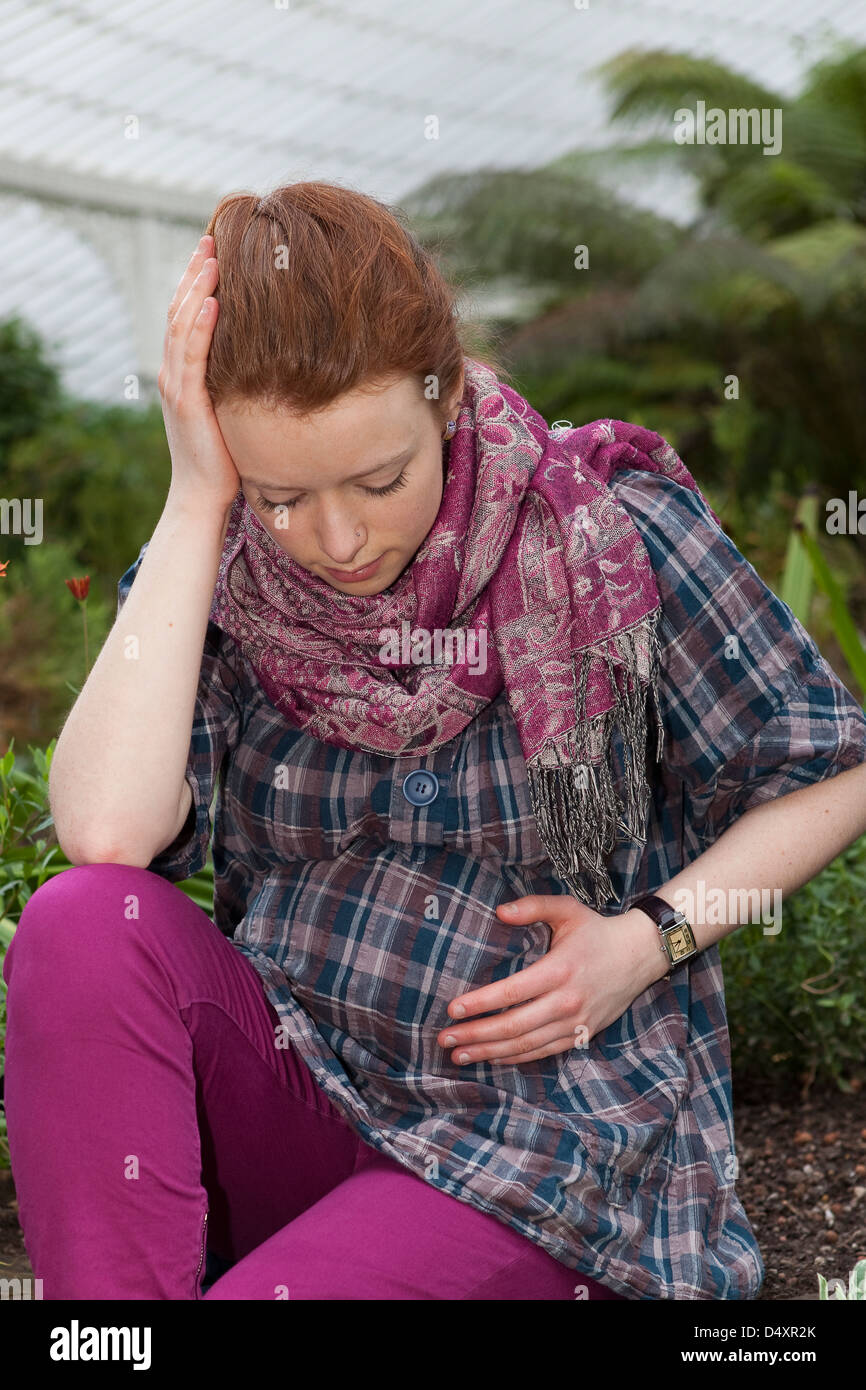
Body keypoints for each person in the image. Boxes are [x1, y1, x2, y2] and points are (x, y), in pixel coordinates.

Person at [5, 183, 866, 1302]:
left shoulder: (610, 528)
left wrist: (644, 940)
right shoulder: (218, 572)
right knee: (85, 919)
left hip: (541, 1145)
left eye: (379, 478)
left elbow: (831, 770)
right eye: (282, 496)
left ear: (446, 393)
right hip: (305, 1103)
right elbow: (106, 829)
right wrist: (194, 502)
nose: (338, 537)